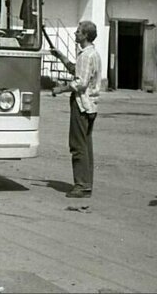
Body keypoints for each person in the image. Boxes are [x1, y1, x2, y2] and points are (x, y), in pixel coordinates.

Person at [50, 20, 102, 198]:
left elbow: (80, 83)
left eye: (78, 32)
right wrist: (61, 57)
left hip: (82, 104)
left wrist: (60, 89)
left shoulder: (86, 56)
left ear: (86, 35)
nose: (75, 34)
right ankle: (86, 183)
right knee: (86, 145)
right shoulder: (90, 54)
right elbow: (76, 70)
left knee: (77, 146)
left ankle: (81, 185)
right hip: (90, 105)